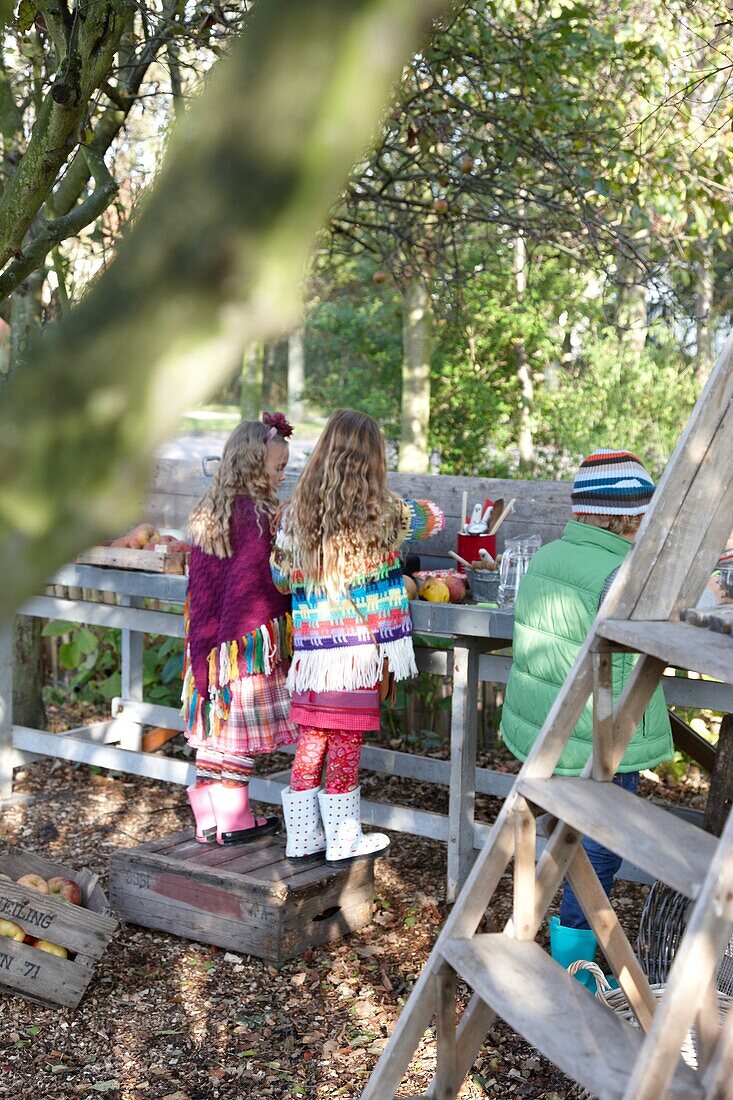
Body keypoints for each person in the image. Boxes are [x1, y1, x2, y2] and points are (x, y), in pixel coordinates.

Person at [500, 448, 674, 982]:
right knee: (599, 852)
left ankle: (537, 940)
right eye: (643, 513)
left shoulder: (549, 556)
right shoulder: (623, 571)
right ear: (623, 516)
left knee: (562, 841)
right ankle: (573, 968)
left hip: (546, 735)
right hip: (601, 737)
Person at [270, 409, 444, 864]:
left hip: (313, 654)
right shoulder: (386, 512)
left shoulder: (296, 515)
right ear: (374, 460)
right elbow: (433, 519)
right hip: (357, 655)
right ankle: (344, 840)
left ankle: (302, 837)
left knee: (311, 741)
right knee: (346, 743)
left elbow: (281, 580)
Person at [181, 413, 297, 845]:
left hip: (208, 642)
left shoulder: (209, 511)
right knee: (237, 736)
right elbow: (264, 581)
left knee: (215, 731)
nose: (283, 476)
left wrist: (206, 647)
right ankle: (235, 819)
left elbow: (207, 586)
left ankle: (208, 819)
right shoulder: (260, 515)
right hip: (246, 646)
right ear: (252, 464)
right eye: (278, 468)